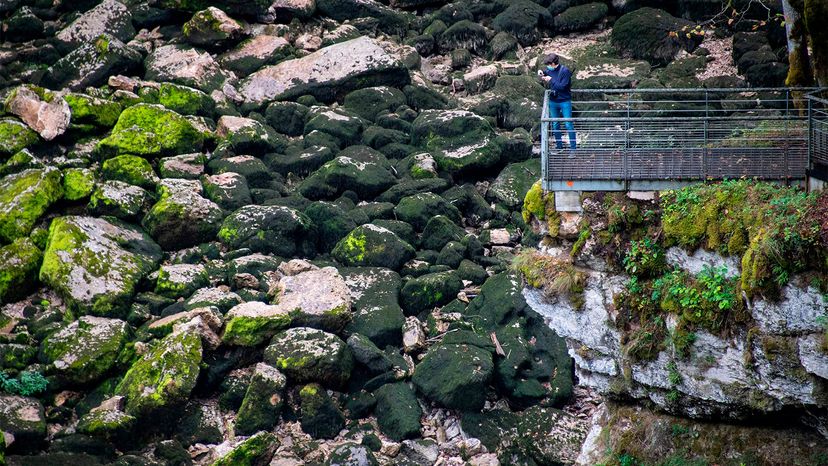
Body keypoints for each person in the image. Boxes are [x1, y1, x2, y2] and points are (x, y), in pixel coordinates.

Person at [539, 53, 576, 152]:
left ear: (553, 63)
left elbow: (562, 87)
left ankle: (573, 149)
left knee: (568, 124)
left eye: (548, 64)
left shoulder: (565, 71)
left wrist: (551, 80)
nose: (548, 67)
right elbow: (545, 72)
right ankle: (559, 147)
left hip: (565, 101)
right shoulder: (549, 70)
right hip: (553, 101)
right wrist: (541, 73)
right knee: (555, 124)